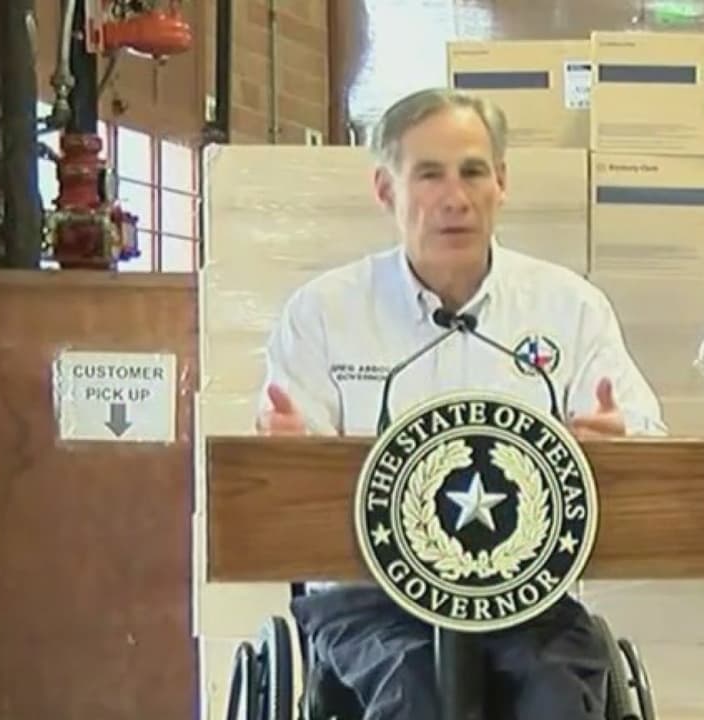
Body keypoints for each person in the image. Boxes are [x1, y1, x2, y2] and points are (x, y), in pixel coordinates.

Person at [254, 87, 665, 720]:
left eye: (473, 172)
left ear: (501, 183)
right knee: (414, 695)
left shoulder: (569, 308)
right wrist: (287, 462)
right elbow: (281, 478)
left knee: (557, 699)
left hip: (527, 602)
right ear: (386, 190)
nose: (455, 198)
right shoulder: (324, 313)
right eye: (429, 175)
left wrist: (620, 445)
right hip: (371, 602)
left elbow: (645, 435)